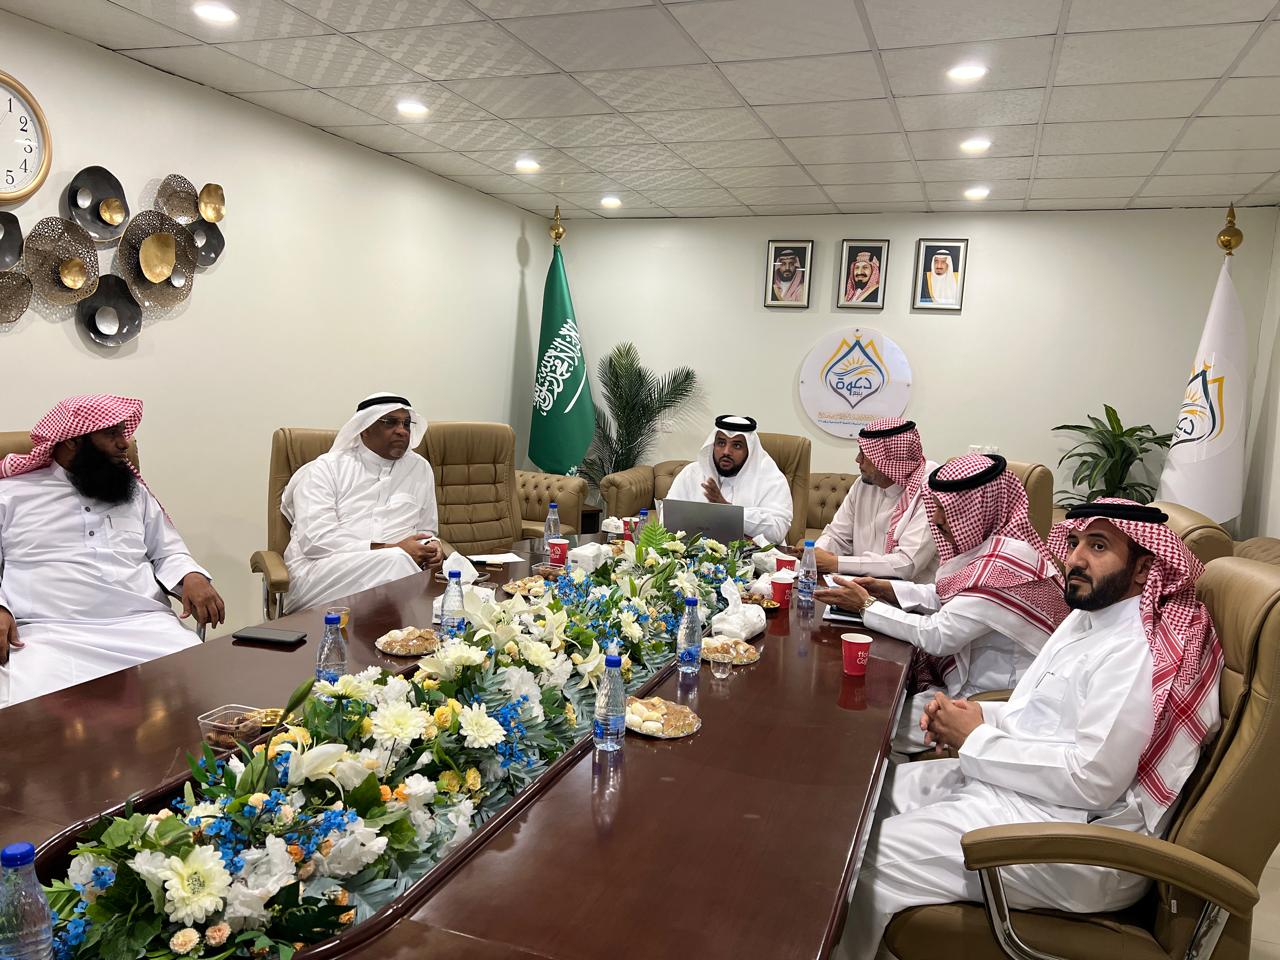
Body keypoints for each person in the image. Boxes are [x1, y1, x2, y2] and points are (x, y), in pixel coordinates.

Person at [836, 499, 1224, 960]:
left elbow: (1093, 780)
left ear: (1144, 569)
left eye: (1099, 546)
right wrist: (974, 716)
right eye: (1075, 542)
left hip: (1078, 842)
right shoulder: (1087, 618)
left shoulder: (1135, 650)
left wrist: (975, 738)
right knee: (859, 804)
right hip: (1024, 794)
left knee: (861, 860)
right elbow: (1038, 715)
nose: (1076, 558)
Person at [816, 455, 1068, 751]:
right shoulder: (997, 549)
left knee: (870, 725)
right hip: (967, 676)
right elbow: (948, 595)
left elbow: (937, 635)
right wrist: (888, 591)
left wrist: (867, 605)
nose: (935, 520)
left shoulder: (1004, 570)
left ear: (975, 512)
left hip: (991, 700)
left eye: (944, 510)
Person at [0, 395, 224, 707]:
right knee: (26, 714)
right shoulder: (11, 494)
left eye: (123, 432)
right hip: (47, 634)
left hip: (146, 627)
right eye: (111, 434)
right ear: (73, 441)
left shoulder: (133, 493)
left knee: (202, 696)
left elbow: (167, 551)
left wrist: (192, 576)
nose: (124, 443)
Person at [281, 393, 442, 614]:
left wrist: (431, 546)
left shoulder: (420, 469)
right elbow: (316, 541)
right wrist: (392, 549)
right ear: (365, 428)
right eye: (390, 422)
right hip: (322, 574)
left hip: (402, 571)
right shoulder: (326, 469)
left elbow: (426, 529)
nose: (402, 430)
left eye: (406, 423)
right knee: (395, 563)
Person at [806, 418, 938, 581]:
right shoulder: (864, 484)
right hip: (857, 586)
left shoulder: (930, 491)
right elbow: (837, 536)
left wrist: (836, 563)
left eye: (864, 454)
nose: (857, 459)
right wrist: (816, 554)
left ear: (889, 461)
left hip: (905, 593)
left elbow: (906, 563)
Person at [665, 415, 792, 545]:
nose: (726, 452)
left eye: (736, 446)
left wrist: (729, 511)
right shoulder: (691, 474)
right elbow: (666, 519)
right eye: (721, 443)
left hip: (756, 557)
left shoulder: (771, 480)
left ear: (749, 451)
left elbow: (778, 530)